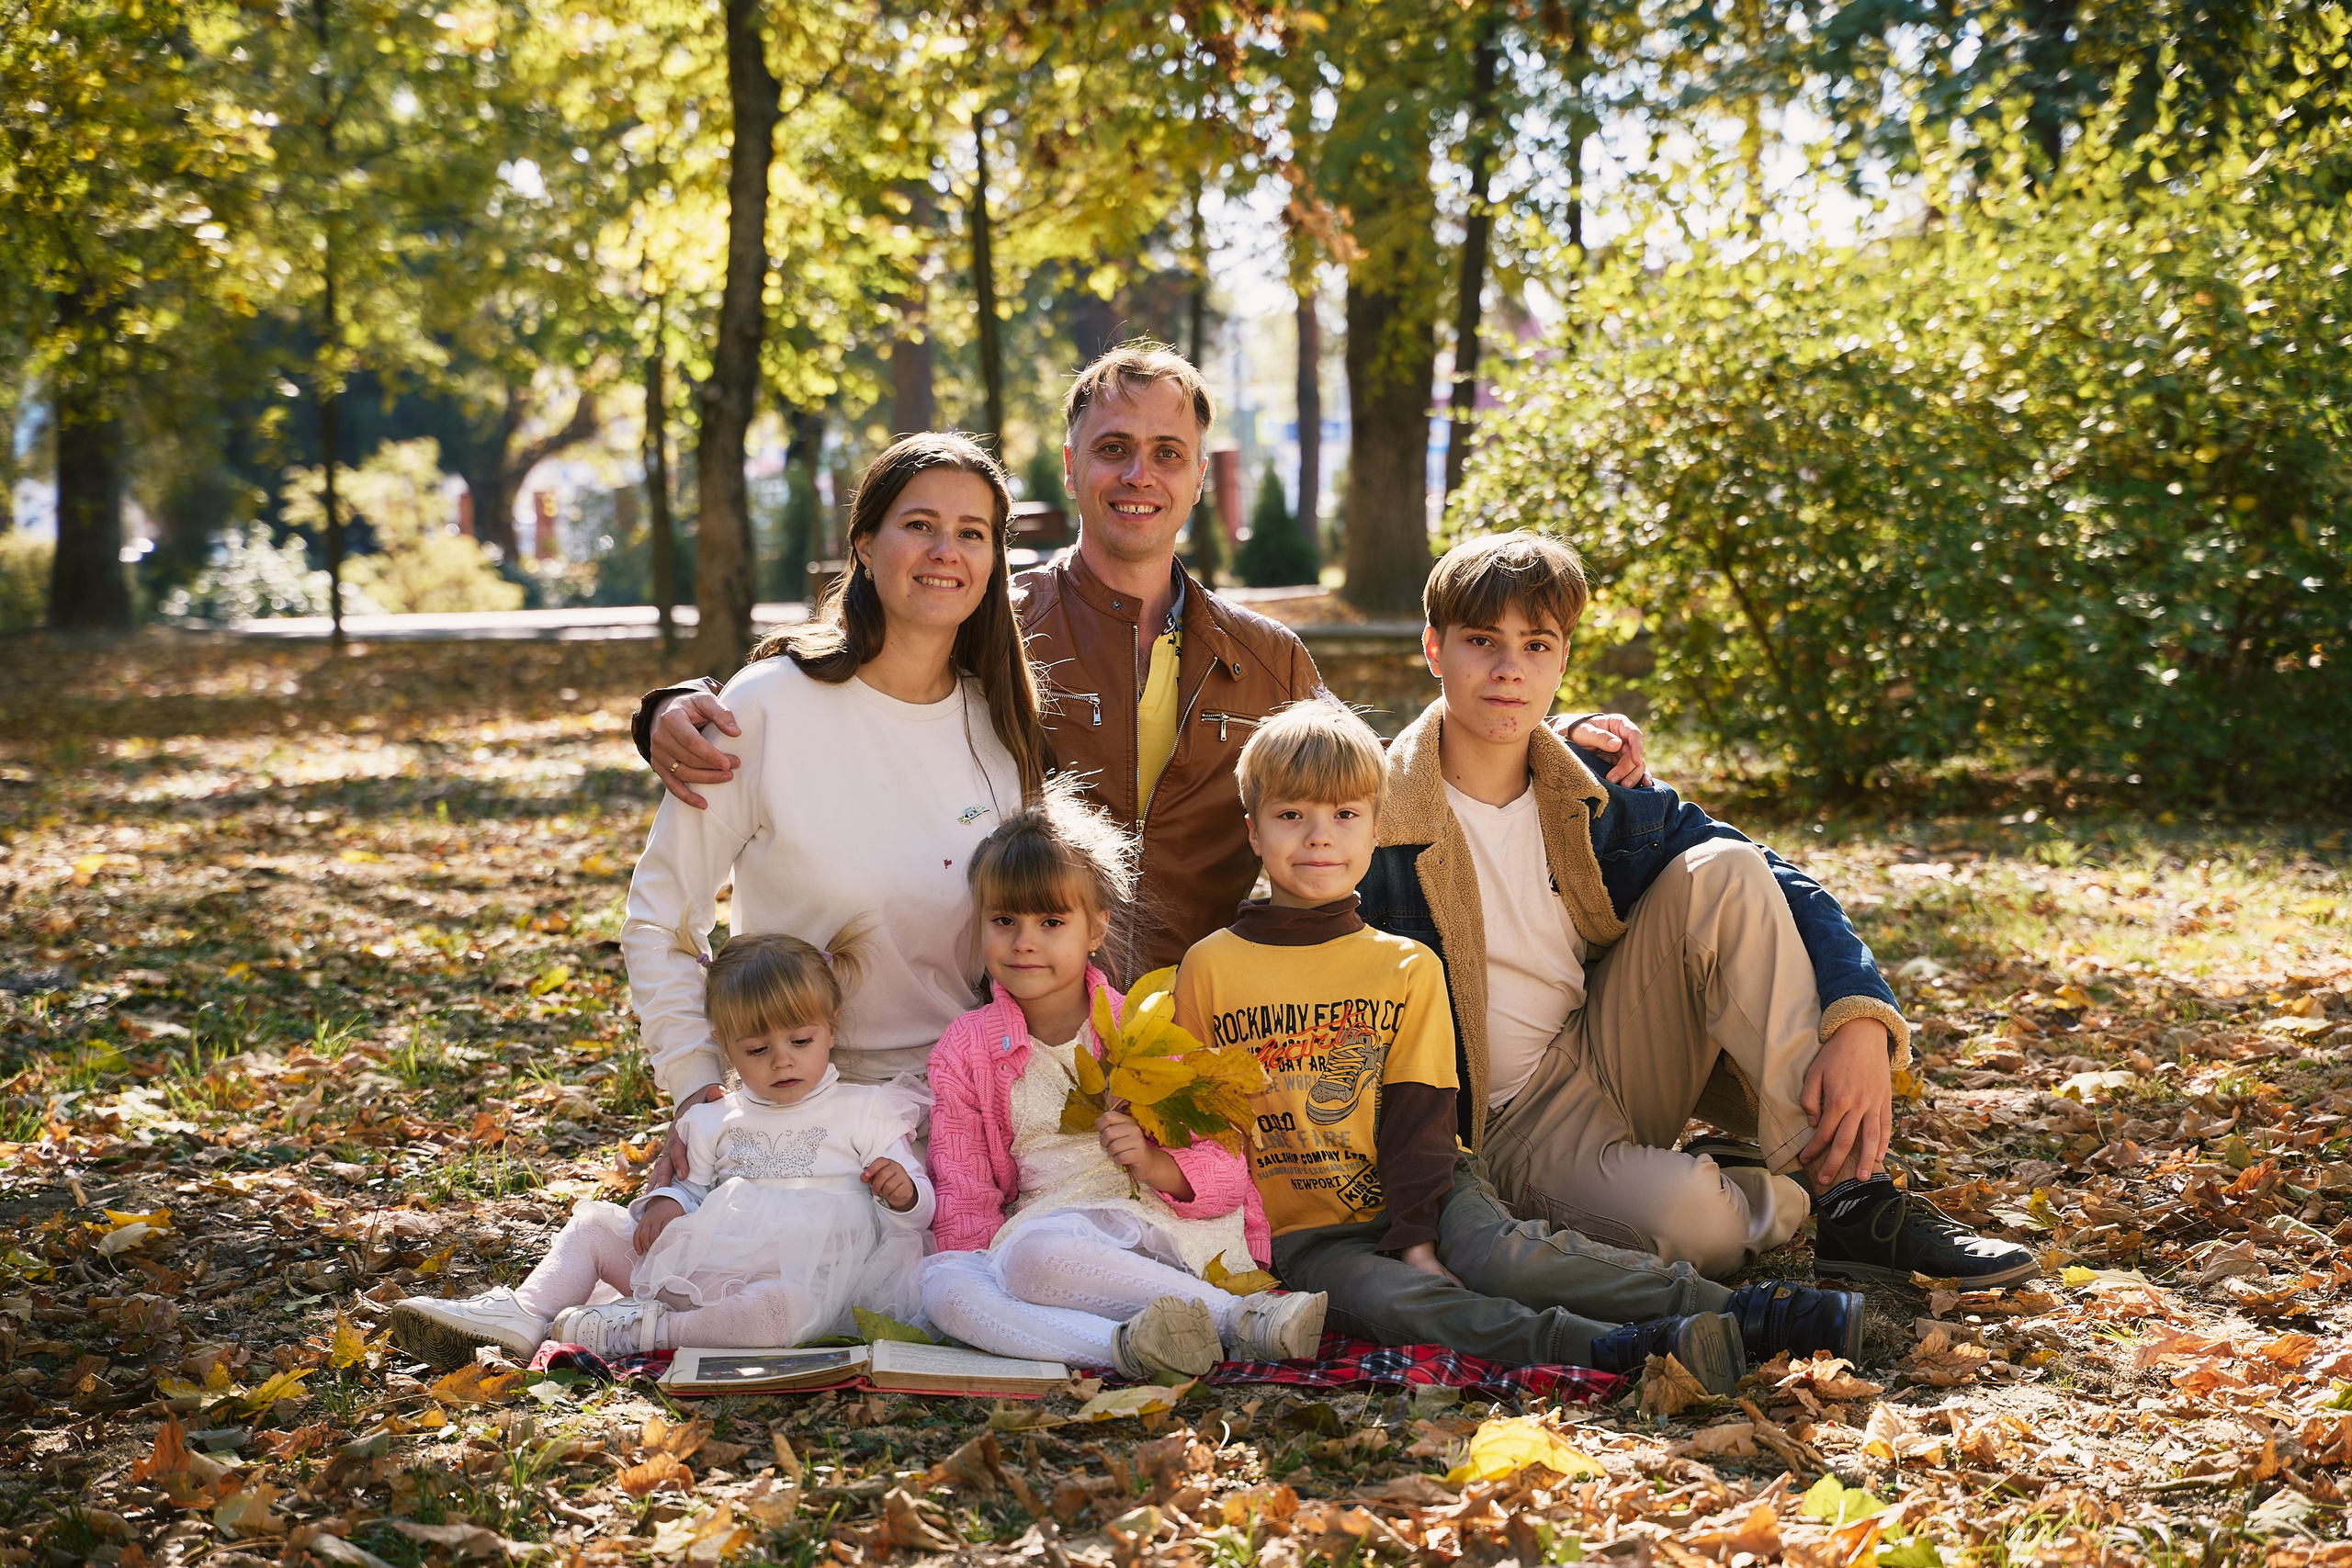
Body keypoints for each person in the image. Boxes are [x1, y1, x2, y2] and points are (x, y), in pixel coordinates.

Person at [633, 343, 1649, 976]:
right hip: (1021, 1010)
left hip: (1203, 1013)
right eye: (1112, 447)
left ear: (1197, 478)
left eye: (1166, 453)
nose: (1137, 474)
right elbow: (854, 673)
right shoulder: (991, 610)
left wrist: (1531, 730)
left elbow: (1374, 783)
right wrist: (677, 706)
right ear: (1071, 463)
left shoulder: (1268, 657)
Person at [1357, 532, 2040, 1288]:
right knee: (1700, 1230)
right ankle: (1734, 1180)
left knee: (1726, 867)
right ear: (1434, 648)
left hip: (1606, 1049)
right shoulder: (1375, 818)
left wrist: (1863, 1016)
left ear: (1562, 661)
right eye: (1481, 641)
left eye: (1536, 643)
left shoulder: (1591, 792)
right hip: (1502, 1125)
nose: (1509, 667)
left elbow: (1773, 878)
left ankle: (1852, 1201)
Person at [1170, 697, 1863, 1388]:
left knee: (1507, 1257)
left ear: (1377, 828)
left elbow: (1420, 1106)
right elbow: (1201, 1122)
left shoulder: (1405, 964)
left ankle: (1747, 1313)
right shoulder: (1209, 968)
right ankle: (1617, 1347)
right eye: (1291, 815)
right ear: (1255, 831)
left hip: (1432, 1178)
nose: (1318, 837)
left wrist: (1415, 1233)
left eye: (1344, 816)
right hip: (1303, 1230)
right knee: (1403, 1301)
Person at [627, 432, 1048, 1207]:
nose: (945, 550)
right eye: (919, 524)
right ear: (864, 541)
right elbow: (661, 916)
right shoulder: (765, 706)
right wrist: (694, 1096)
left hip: (957, 1112)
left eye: (972, 533)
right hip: (793, 1107)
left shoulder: (1000, 729)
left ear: (994, 564)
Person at [921, 788, 1328, 1376]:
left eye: (1051, 921)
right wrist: (981, 1273)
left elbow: (1224, 1163)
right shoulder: (967, 1047)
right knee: (945, 1287)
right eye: (1003, 921)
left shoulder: (1140, 1024)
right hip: (1037, 1230)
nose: (1024, 941)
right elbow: (963, 1189)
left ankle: (1239, 1319)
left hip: (1145, 1228)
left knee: (1036, 1261)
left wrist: (1158, 1165)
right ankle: (1129, 1348)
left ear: (1095, 929)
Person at [385, 931, 933, 1366]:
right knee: (594, 1225)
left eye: (800, 1041)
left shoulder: (865, 1110)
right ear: (725, 1047)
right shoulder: (715, 1119)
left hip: (804, 1288)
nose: (782, 1061)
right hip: (696, 1273)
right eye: (758, 1048)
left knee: (778, 1312)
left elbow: (919, 1214)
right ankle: (525, 1313)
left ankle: (645, 1332)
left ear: (831, 1029)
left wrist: (902, 1192)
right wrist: (669, 1204)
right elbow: (692, 1190)